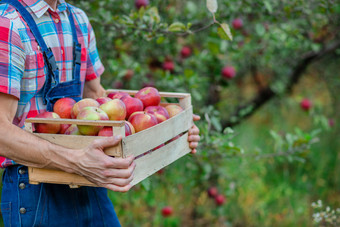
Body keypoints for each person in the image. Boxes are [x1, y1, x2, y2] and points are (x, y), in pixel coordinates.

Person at [0, 0, 200, 226]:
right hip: (36, 187)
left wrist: (170, 127)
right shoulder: (8, 25)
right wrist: (76, 161)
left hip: (89, 181)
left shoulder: (77, 20)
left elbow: (98, 99)